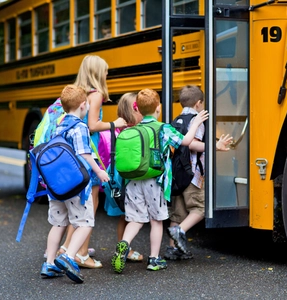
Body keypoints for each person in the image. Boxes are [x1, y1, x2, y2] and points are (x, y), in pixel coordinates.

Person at [111, 88, 209, 273]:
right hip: (154, 182)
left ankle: (124, 244)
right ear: (158, 108)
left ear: (138, 109)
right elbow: (186, 141)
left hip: (133, 181)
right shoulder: (163, 128)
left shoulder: (134, 129)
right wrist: (195, 123)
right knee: (156, 221)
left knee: (136, 220)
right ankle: (154, 259)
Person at [58, 55, 127, 269]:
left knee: (80, 204)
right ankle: (81, 254)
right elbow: (92, 125)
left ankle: (66, 247)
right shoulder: (95, 95)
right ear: (97, 73)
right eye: (105, 71)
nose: (107, 74)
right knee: (91, 203)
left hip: (75, 152)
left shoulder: (79, 92)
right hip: (91, 149)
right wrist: (114, 123)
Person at [41, 85, 110, 283]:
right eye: (87, 103)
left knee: (58, 223)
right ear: (82, 105)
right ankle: (69, 256)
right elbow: (84, 153)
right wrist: (99, 171)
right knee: (86, 222)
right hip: (76, 185)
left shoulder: (58, 124)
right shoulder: (80, 127)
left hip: (56, 184)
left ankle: (50, 263)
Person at [164, 85, 233, 260]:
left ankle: (173, 249)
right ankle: (179, 231)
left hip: (176, 174)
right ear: (199, 103)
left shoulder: (177, 120)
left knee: (178, 213)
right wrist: (215, 146)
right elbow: (193, 144)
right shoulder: (198, 119)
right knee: (201, 207)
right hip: (192, 175)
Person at [102, 92, 144, 262]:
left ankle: (122, 246)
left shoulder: (119, 129)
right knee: (131, 215)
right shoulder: (134, 131)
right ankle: (126, 248)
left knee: (123, 215)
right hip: (128, 177)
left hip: (117, 175)